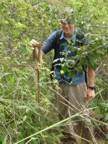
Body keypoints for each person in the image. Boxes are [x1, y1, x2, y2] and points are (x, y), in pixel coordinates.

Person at [30, 10, 96, 144]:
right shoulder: (56, 36)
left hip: (77, 83)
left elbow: (91, 64)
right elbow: (40, 55)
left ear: (75, 23)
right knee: (58, 116)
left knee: (81, 117)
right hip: (58, 82)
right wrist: (35, 48)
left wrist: (91, 87)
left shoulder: (82, 37)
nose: (66, 26)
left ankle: (89, 142)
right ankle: (61, 140)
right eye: (63, 23)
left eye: (69, 23)